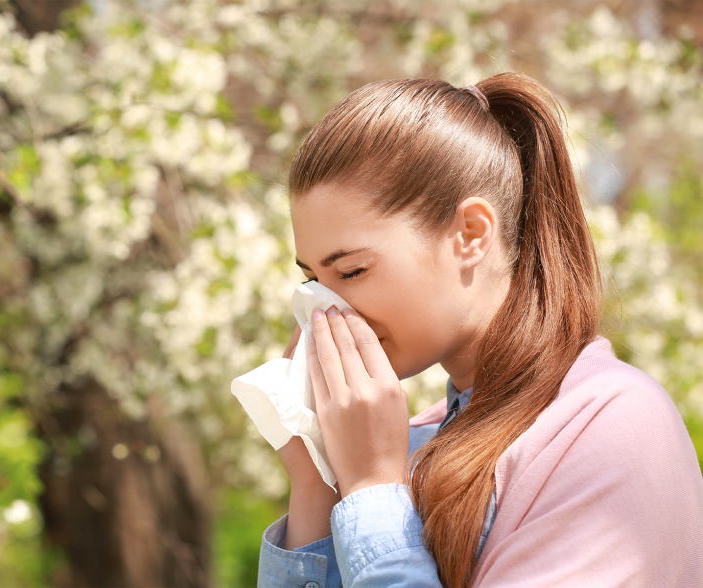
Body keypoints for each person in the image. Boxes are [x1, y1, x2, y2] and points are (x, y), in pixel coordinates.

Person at [256, 72, 703, 588]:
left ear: (470, 234)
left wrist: (373, 489)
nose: (324, 306)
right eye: (313, 278)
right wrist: (318, 484)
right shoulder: (415, 442)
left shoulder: (609, 425)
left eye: (352, 271)